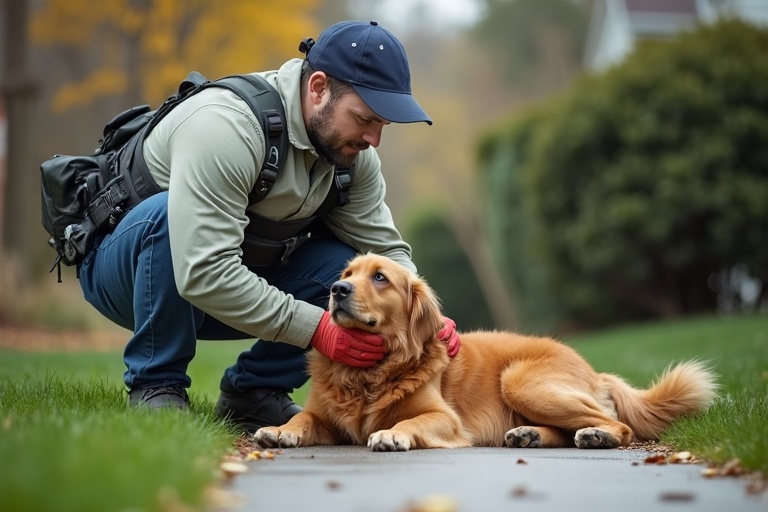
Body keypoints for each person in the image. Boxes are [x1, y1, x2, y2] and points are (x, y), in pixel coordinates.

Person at [77, 20, 459, 433]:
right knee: (171, 217)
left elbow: (385, 251)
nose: (374, 139)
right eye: (365, 118)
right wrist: (318, 330)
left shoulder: (353, 155)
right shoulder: (226, 127)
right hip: (131, 275)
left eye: (383, 124)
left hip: (221, 288)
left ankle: (253, 393)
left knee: (346, 269)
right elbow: (203, 271)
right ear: (318, 87)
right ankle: (157, 385)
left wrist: (425, 316)